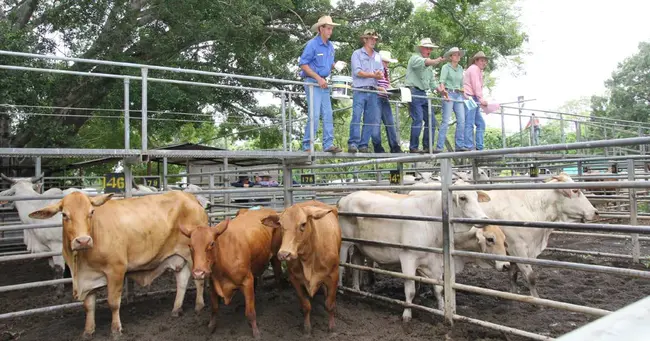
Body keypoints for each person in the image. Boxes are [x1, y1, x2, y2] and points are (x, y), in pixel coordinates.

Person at [298, 15, 346, 153]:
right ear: (321, 29)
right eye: (328, 28)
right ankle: (307, 145)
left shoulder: (331, 47)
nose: (331, 31)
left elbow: (327, 66)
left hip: (323, 83)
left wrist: (335, 66)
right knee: (314, 114)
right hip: (313, 82)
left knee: (328, 113)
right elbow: (303, 64)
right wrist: (318, 78)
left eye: (331, 29)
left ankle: (328, 144)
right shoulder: (312, 44)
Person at [405, 38, 447, 153]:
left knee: (431, 120)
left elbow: (433, 83)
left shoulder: (430, 66)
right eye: (427, 48)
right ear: (421, 48)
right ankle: (413, 147)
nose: (429, 50)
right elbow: (427, 62)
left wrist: (441, 91)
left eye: (430, 48)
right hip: (413, 91)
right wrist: (437, 60)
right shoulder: (415, 58)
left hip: (423, 94)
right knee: (418, 119)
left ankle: (427, 146)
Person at [348, 29, 385, 153]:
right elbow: (357, 72)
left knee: (370, 119)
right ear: (365, 39)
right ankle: (353, 143)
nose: (373, 41)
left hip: (373, 90)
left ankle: (363, 144)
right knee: (357, 116)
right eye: (371, 38)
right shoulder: (357, 54)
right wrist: (374, 75)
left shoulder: (378, 56)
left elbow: (380, 72)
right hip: (359, 89)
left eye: (375, 39)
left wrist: (379, 74)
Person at [438, 47, 467, 152]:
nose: (457, 56)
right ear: (450, 57)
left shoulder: (460, 68)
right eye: (455, 54)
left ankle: (459, 145)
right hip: (448, 93)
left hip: (458, 94)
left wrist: (465, 94)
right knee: (445, 120)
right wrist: (444, 93)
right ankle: (439, 146)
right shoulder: (446, 67)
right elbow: (442, 82)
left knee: (462, 120)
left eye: (458, 54)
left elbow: (461, 84)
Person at [377, 50, 402, 153]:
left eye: (387, 62)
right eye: (385, 62)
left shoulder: (386, 71)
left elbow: (387, 85)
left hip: (385, 98)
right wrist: (380, 88)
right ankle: (378, 147)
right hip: (376, 98)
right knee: (376, 124)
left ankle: (394, 146)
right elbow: (371, 83)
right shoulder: (375, 69)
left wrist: (395, 91)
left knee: (390, 123)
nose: (387, 64)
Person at [463, 51, 489, 151]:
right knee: (469, 122)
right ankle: (469, 146)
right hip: (470, 97)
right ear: (476, 61)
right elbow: (476, 85)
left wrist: (479, 99)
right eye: (482, 61)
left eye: (485, 61)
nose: (484, 63)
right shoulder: (474, 69)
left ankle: (479, 146)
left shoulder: (478, 70)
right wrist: (481, 99)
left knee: (480, 123)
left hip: (474, 98)